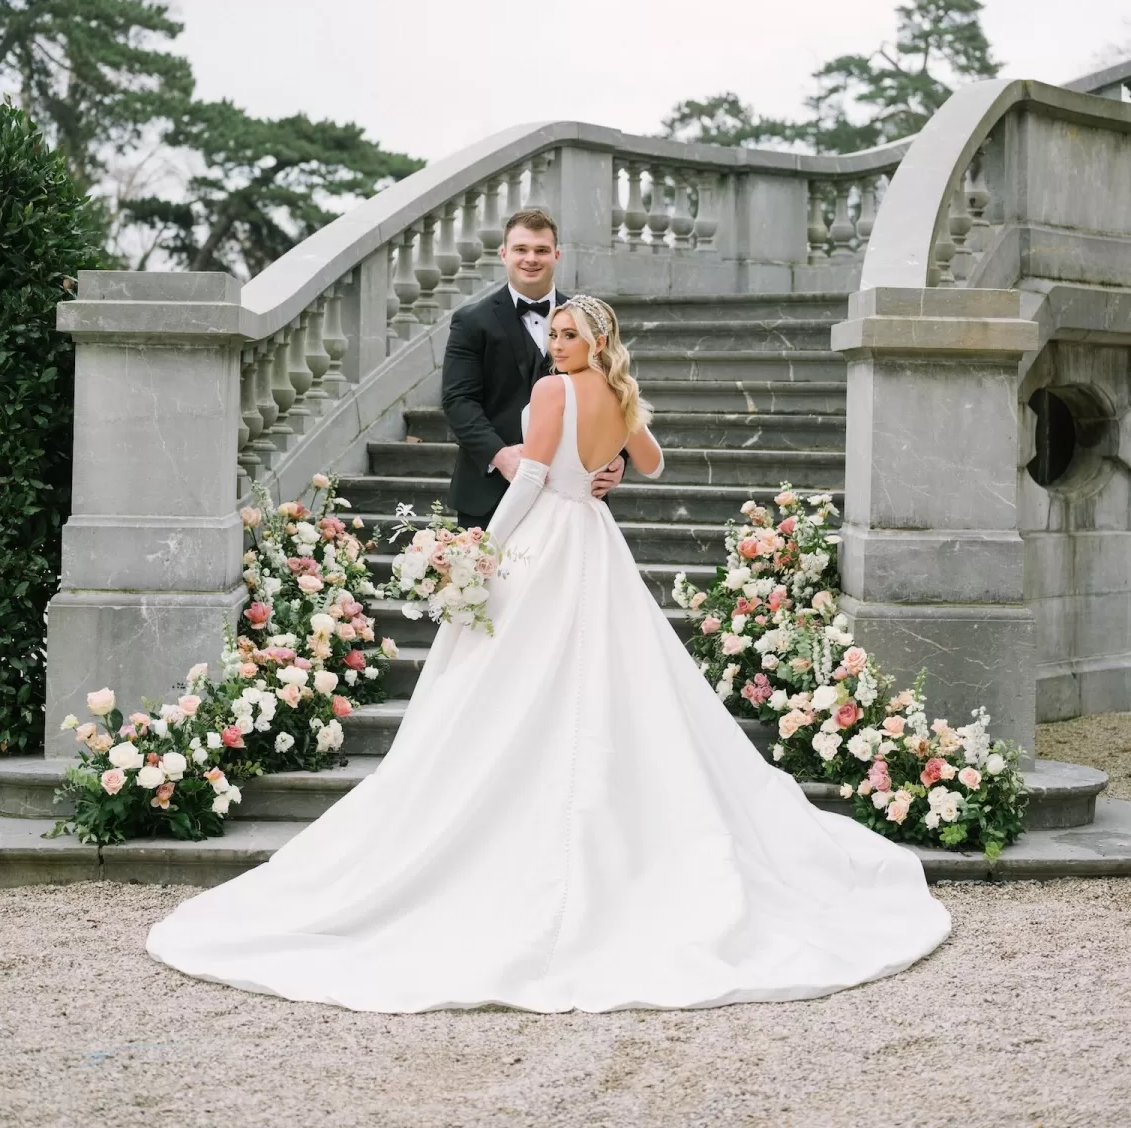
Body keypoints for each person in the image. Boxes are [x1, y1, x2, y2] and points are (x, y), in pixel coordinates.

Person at [146, 295, 950, 1012]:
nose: (556, 343)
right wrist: (609, 471)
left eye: (569, 334)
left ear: (593, 341)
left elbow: (528, 479)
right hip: (594, 538)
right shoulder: (619, 392)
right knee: (607, 674)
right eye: (555, 333)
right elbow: (652, 462)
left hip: (544, 538)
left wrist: (478, 555)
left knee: (515, 676)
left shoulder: (551, 391)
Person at [441, 207, 624, 528]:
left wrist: (618, 460)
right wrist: (500, 456)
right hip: (491, 491)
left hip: (575, 494)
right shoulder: (471, 322)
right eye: (521, 249)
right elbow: (459, 401)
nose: (531, 258)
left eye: (541, 250)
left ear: (556, 254)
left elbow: (616, 394)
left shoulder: (591, 323)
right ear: (503, 254)